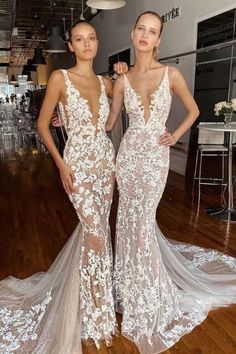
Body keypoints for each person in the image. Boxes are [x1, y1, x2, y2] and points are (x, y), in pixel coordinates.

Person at [106, 11, 236, 354]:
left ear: (158, 40)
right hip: (129, 158)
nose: (146, 36)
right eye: (141, 29)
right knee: (127, 223)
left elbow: (193, 111)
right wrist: (73, 115)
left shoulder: (172, 73)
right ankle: (127, 289)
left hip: (154, 160)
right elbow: (110, 123)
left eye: (153, 31)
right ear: (133, 35)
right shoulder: (121, 79)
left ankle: (149, 294)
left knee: (143, 224)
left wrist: (174, 135)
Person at [0, 20, 117, 353]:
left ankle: (99, 304)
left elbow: (127, 94)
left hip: (105, 164)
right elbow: (42, 124)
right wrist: (61, 164)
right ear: (70, 46)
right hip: (77, 164)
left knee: (100, 236)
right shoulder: (58, 78)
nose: (86, 44)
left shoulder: (104, 82)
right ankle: (94, 313)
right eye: (79, 39)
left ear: (97, 43)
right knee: (94, 233)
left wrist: (124, 70)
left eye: (91, 38)